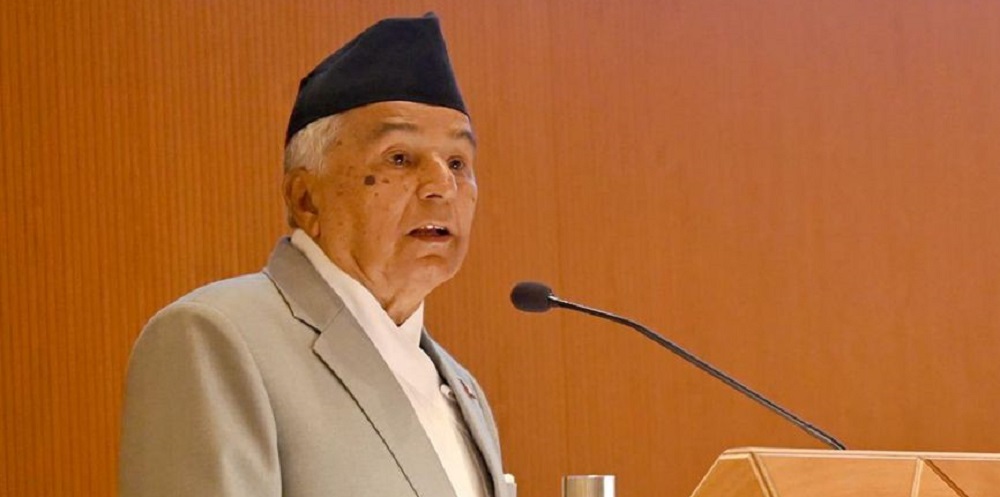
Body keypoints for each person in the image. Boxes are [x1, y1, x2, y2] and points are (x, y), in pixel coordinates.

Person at [119, 13, 513, 497]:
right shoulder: (215, 339)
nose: (442, 186)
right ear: (305, 199)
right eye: (400, 158)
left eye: (457, 162)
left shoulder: (462, 389)